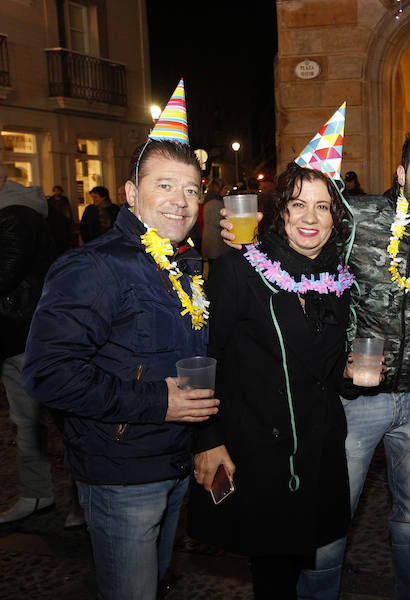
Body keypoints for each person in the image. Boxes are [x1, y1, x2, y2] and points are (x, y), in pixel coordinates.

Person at [221, 89, 410, 599]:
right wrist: (243, 239)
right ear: (400, 174)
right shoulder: (358, 219)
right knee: (329, 516)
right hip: (355, 399)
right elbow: (302, 229)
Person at [23, 82, 219, 599]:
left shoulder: (186, 265)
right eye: (165, 186)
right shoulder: (94, 266)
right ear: (131, 193)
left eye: (192, 190)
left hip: (172, 462)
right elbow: (48, 374)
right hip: (121, 473)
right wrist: (159, 401)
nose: (181, 201)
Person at [189, 162, 355, 598]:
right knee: (273, 575)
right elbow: (206, 356)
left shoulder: (337, 278)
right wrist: (207, 437)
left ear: (335, 218)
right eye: (298, 204)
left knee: (304, 559)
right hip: (264, 449)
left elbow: (325, 370)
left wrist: (351, 374)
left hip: (318, 448)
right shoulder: (239, 270)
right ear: (279, 211)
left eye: (323, 207)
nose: (310, 217)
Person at [0, 164, 58, 525]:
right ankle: (41, 494)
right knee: (30, 419)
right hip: (18, 331)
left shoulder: (15, 215)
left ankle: (70, 500)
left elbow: (6, 272)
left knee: (49, 418)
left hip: (25, 332)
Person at [202, 178, 229, 263]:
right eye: (225, 188)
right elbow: (218, 222)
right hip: (216, 243)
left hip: (212, 242)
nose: (227, 190)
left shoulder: (210, 201)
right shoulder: (215, 203)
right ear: (218, 189)